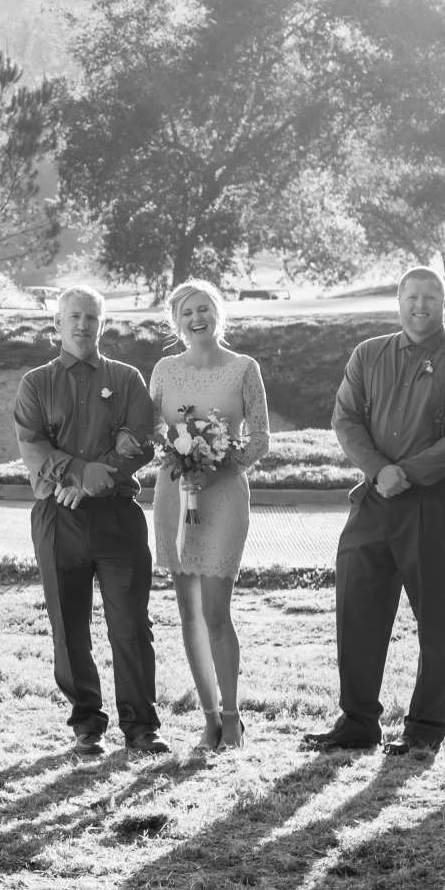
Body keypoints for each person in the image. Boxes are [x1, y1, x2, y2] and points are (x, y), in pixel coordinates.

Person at [304, 267, 445, 760]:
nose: (421, 305)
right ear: (399, 300)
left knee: (434, 619)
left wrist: (403, 473)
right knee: (357, 609)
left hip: (434, 506)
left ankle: (425, 728)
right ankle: (358, 721)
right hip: (373, 501)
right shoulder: (368, 354)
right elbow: (345, 418)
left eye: (431, 297)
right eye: (412, 296)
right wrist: (377, 470)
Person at [14, 287, 166, 758]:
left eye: (92, 318)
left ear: (103, 324)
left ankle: (141, 727)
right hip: (58, 519)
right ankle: (86, 725)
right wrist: (81, 473)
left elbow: (140, 438)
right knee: (68, 623)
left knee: (131, 624)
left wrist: (94, 479)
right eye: (74, 317)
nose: (83, 325)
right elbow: (34, 446)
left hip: (117, 517)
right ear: (56, 325)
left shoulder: (126, 378)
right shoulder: (35, 384)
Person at [146, 280, 271, 753]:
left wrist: (217, 460)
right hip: (175, 496)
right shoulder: (163, 369)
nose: (196, 319)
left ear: (218, 313)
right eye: (186, 314)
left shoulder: (245, 368)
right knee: (189, 614)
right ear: (175, 324)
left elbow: (259, 439)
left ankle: (233, 716)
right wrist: (181, 459)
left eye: (204, 309)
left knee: (217, 612)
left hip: (223, 498)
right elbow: (153, 431)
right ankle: (208, 718)